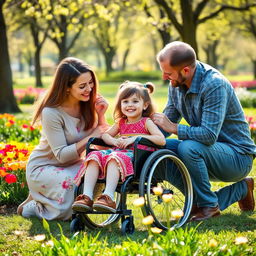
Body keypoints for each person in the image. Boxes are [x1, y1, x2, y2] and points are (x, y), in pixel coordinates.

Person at [152, 41, 256, 221]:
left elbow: (208, 135)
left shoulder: (214, 84)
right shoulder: (176, 84)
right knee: (159, 149)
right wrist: (140, 138)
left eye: (168, 73)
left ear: (185, 70)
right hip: (206, 153)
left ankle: (209, 205)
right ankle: (205, 199)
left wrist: (175, 128)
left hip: (237, 157)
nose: (164, 76)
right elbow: (165, 124)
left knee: (188, 147)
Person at [17, 57, 109, 220]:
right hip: (44, 166)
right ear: (67, 88)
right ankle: (35, 208)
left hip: (73, 165)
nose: (89, 89)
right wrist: (90, 136)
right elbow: (61, 155)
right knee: (70, 188)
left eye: (90, 83)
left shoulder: (87, 104)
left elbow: (103, 143)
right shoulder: (51, 112)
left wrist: (101, 115)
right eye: (82, 86)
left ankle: (49, 201)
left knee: (99, 173)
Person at [72, 81, 166, 213]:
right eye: (125, 101)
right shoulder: (121, 122)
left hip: (137, 158)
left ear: (145, 105)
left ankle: (109, 196)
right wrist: (113, 141)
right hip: (118, 152)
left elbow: (161, 139)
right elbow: (105, 136)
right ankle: (87, 196)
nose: (130, 105)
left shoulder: (146, 122)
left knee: (114, 157)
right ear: (120, 104)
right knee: (94, 155)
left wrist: (136, 138)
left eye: (135, 101)